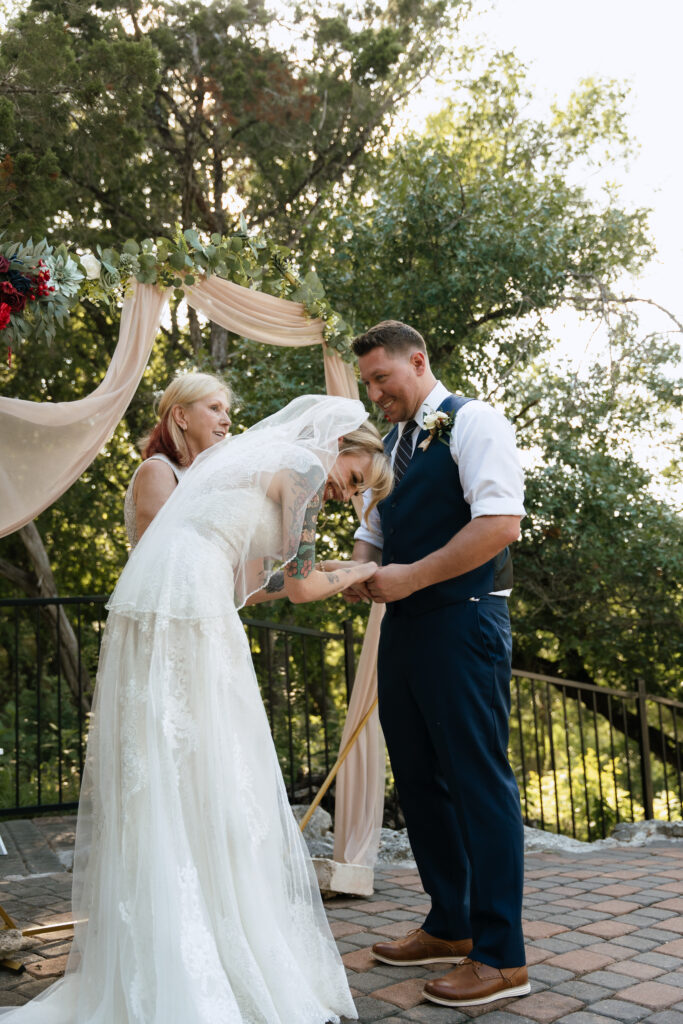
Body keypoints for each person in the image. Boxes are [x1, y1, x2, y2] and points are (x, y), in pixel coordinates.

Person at [0, 395, 392, 1024]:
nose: (348, 494)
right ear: (343, 447)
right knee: (212, 761)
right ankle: (209, 947)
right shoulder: (306, 472)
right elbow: (301, 587)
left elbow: (258, 576)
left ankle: (171, 943)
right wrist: (363, 572)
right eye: (355, 479)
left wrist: (329, 567)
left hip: (158, 592)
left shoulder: (265, 461)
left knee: (168, 764)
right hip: (188, 602)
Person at [345, 321, 530, 1009]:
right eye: (367, 382)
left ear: (416, 362)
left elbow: (498, 524)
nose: (374, 393)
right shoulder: (391, 444)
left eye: (381, 379)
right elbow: (372, 534)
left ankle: (502, 955)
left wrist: (409, 577)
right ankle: (448, 922)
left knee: (478, 781)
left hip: (465, 620)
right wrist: (355, 573)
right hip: (406, 628)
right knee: (420, 781)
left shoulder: (474, 422)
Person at [124, 371, 232, 547]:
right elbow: (159, 557)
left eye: (227, 412)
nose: (227, 421)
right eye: (214, 408)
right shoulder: (158, 471)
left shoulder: (208, 478)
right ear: (181, 416)